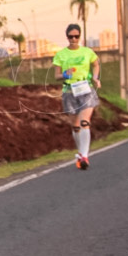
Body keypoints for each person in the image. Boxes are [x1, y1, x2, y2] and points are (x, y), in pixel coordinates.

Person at [52, 24, 102, 170]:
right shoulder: (61, 55)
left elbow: (96, 65)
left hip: (86, 89)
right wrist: (64, 75)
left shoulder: (87, 52)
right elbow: (56, 75)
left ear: (80, 36)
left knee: (84, 122)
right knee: (75, 126)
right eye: (70, 36)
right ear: (66, 37)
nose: (73, 39)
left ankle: (85, 155)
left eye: (76, 36)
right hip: (69, 91)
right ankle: (81, 152)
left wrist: (96, 77)